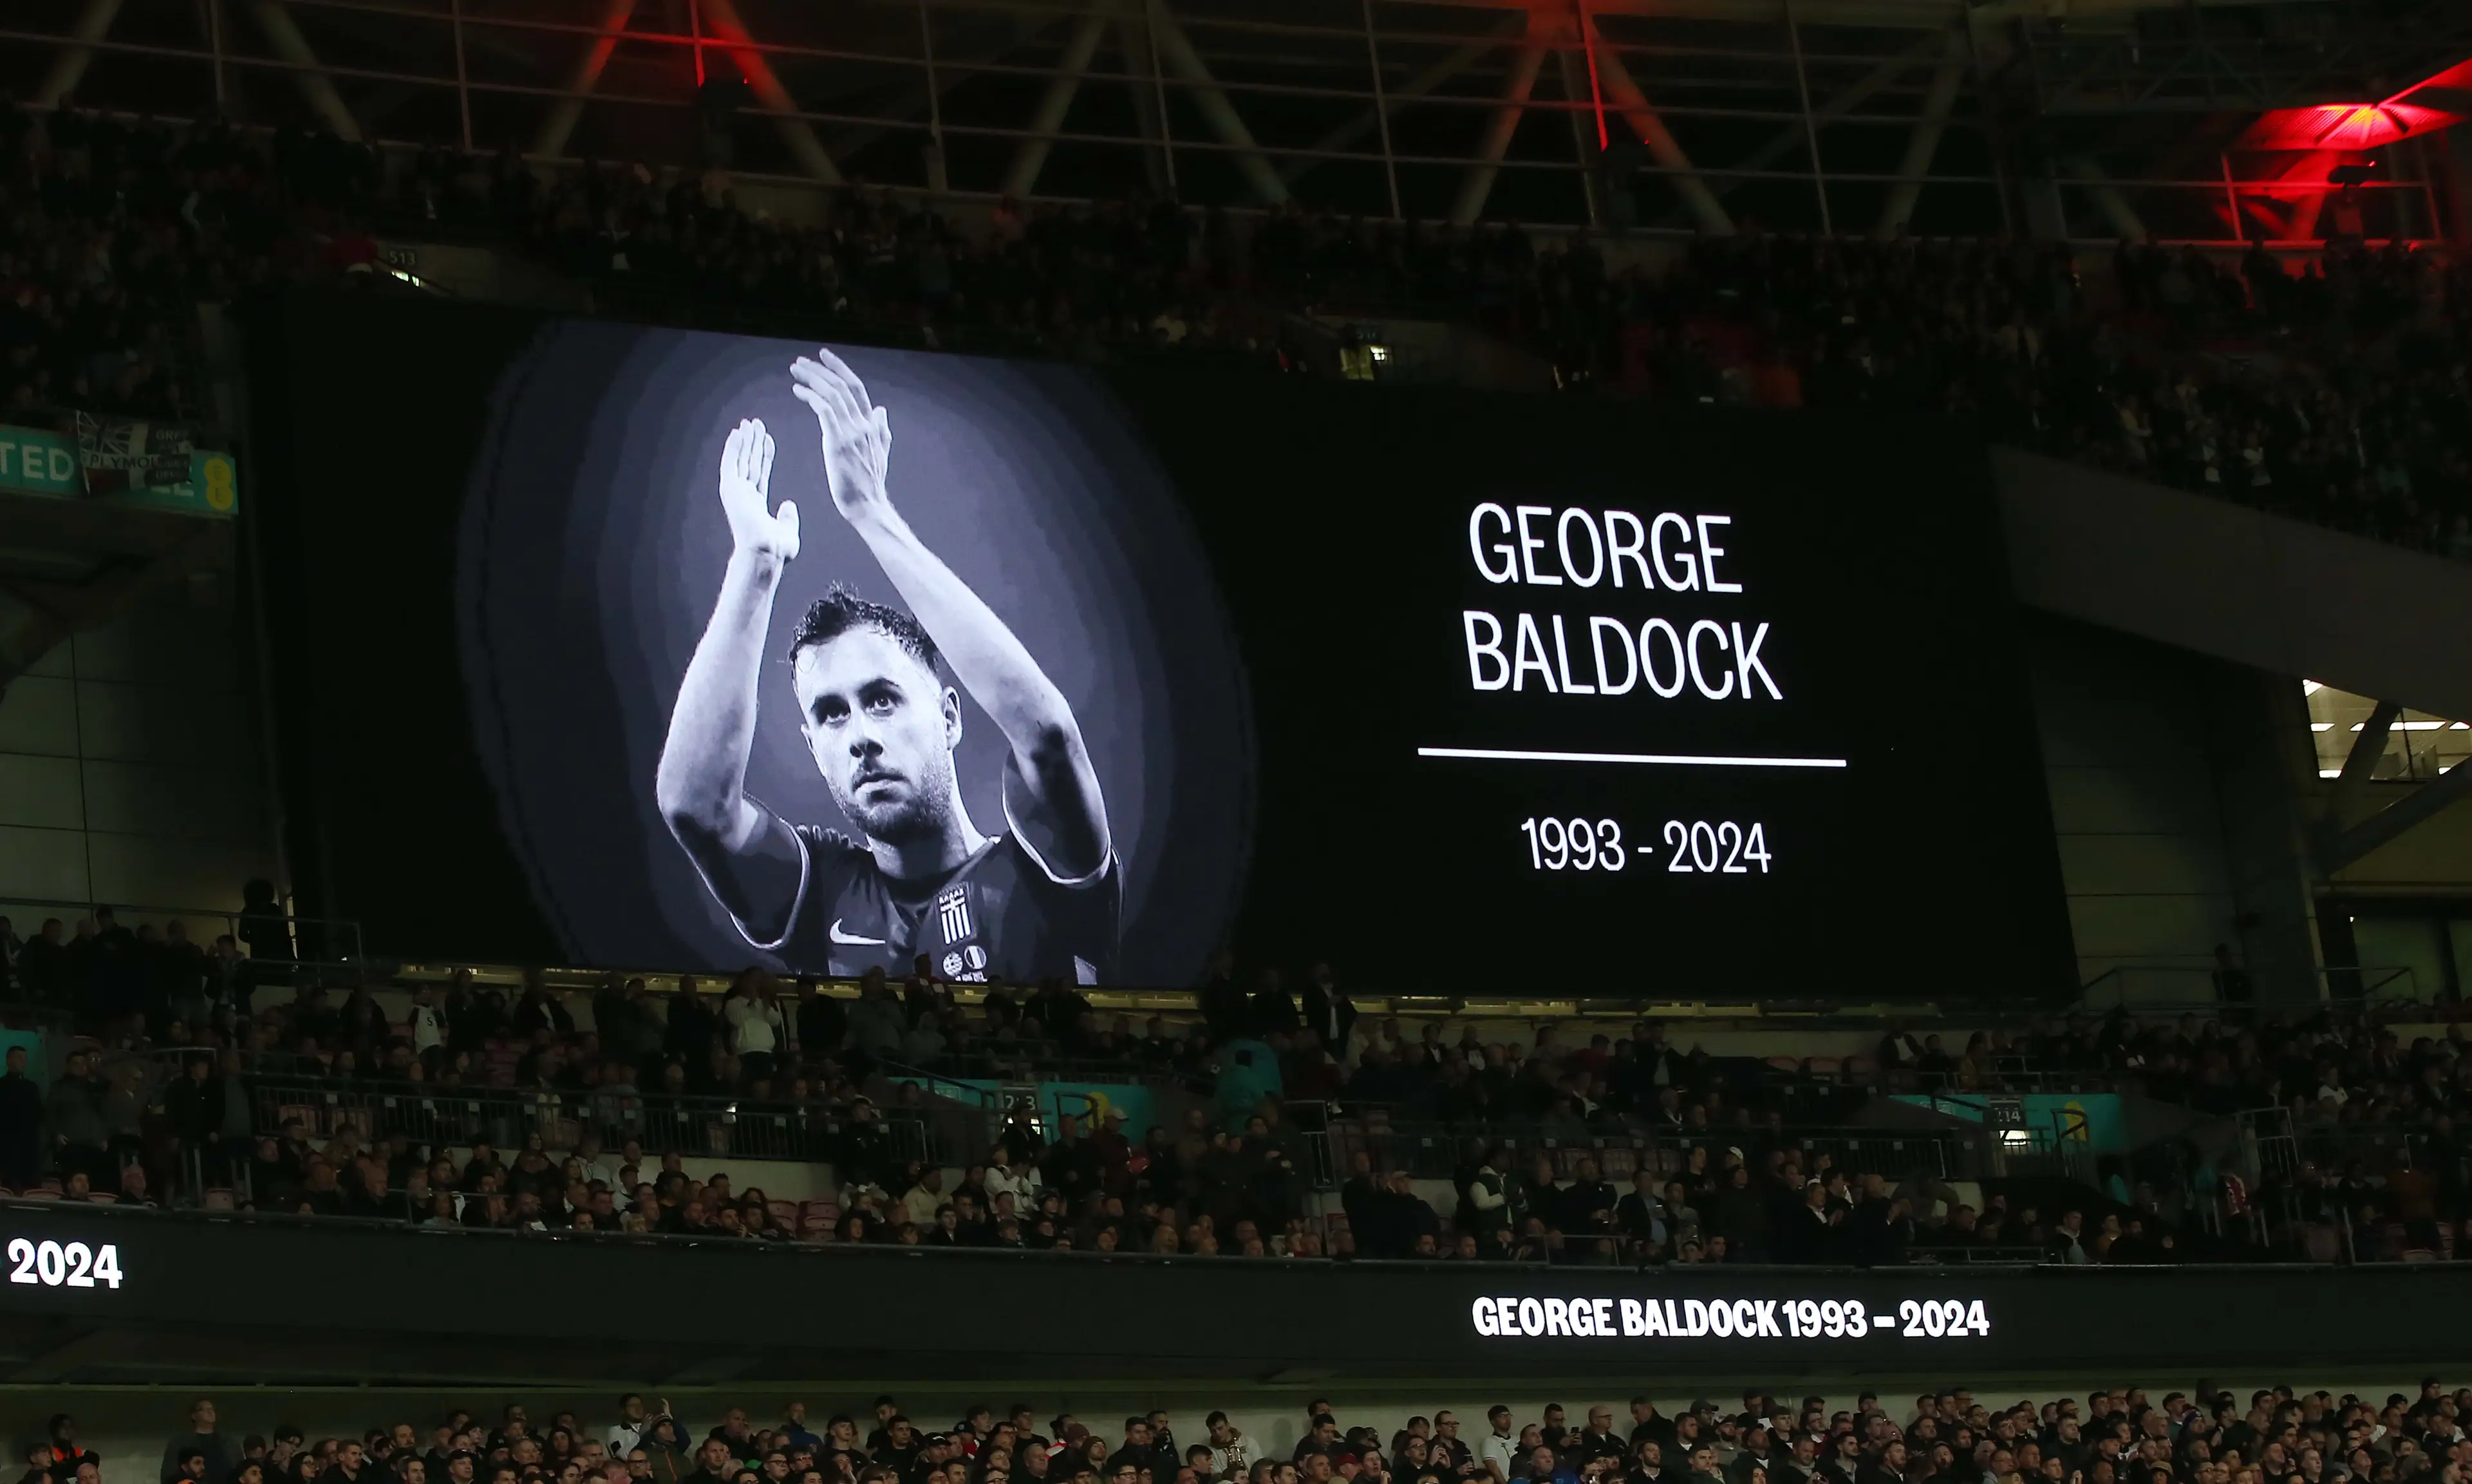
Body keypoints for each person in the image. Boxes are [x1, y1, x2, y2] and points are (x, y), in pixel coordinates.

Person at [655, 349, 1118, 985]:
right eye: (832, 713)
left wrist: (872, 512)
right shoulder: (819, 890)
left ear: (950, 714)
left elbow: (1047, 735)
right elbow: (694, 808)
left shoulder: (1043, 866)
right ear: (814, 747)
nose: (861, 734)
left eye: (883, 698)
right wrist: (756, 563)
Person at [160, 1399, 233, 1484]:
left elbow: (240, 1472)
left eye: (212, 1409)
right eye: (204, 1409)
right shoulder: (179, 1443)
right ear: (194, 1416)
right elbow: (169, 1474)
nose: (210, 1412)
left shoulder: (229, 1443)